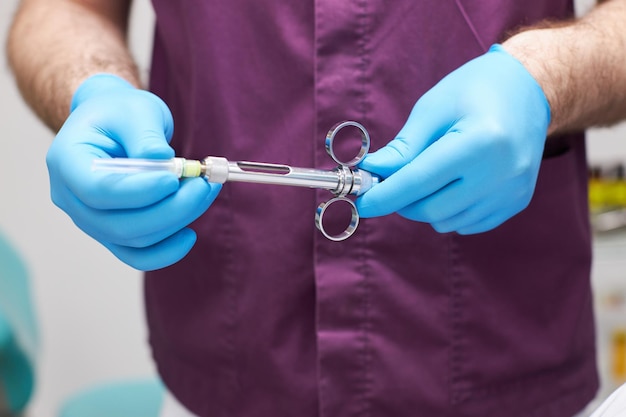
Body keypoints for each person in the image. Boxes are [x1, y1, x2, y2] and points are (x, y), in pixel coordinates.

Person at [6, 0, 626, 416]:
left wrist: (546, 77)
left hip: (505, 361)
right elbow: (60, 11)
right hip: (223, 371)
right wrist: (89, 90)